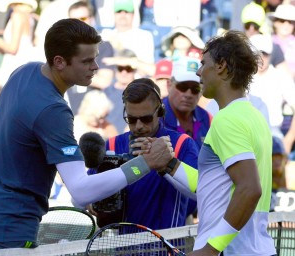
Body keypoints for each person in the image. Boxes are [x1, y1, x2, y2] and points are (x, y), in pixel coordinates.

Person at [0, 18, 174, 252]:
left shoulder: (24, 71)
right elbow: (81, 192)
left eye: (95, 58)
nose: (96, 67)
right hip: (4, 226)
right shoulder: (54, 111)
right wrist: (145, 163)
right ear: (59, 62)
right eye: (87, 61)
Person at [160, 30, 276, 255]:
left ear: (221, 65)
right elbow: (215, 184)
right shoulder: (254, 116)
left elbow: (250, 189)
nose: (200, 72)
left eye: (203, 64)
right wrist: (169, 165)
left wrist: (211, 249)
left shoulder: (227, 119)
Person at [88, 78, 199, 230]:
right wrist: (92, 203)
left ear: (160, 111)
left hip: (167, 246)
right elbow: (85, 193)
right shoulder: (112, 145)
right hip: (124, 247)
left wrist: (167, 164)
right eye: (132, 119)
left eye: (146, 119)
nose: (139, 126)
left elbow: (200, 192)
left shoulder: (182, 143)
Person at [0, 0, 38, 103]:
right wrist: (0, 49)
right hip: (23, 67)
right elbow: (25, 45)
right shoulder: (30, 17)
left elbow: (13, 49)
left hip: (15, 67)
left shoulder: (17, 15)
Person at [163, 57, 212, 150]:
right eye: (183, 86)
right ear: (169, 85)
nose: (188, 94)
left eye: (195, 89)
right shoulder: (153, 118)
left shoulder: (207, 119)